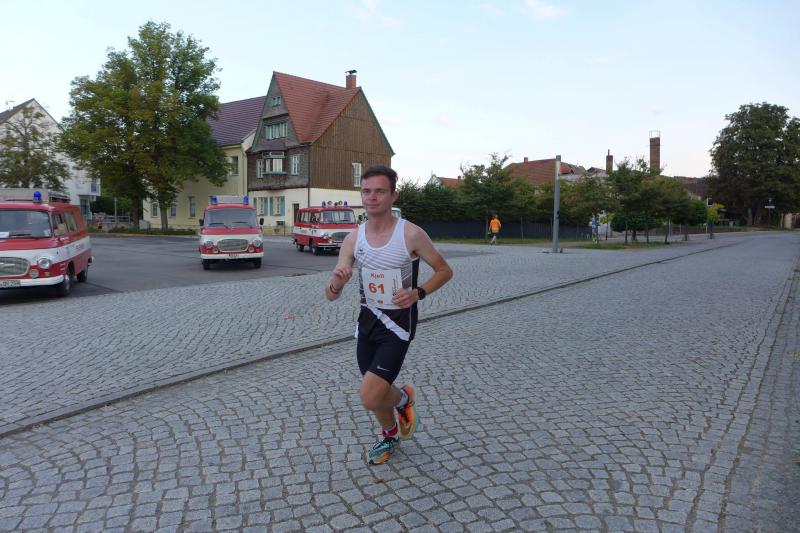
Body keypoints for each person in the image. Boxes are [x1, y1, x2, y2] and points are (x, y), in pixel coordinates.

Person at [325, 165, 453, 465]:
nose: (372, 197)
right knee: (378, 393)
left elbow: (445, 271)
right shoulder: (353, 239)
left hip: (398, 327)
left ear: (393, 195)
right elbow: (331, 295)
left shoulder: (410, 234)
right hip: (367, 324)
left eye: (379, 191)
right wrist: (337, 283)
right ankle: (390, 433)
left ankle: (404, 400)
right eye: (366, 191)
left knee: (370, 395)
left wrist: (417, 293)